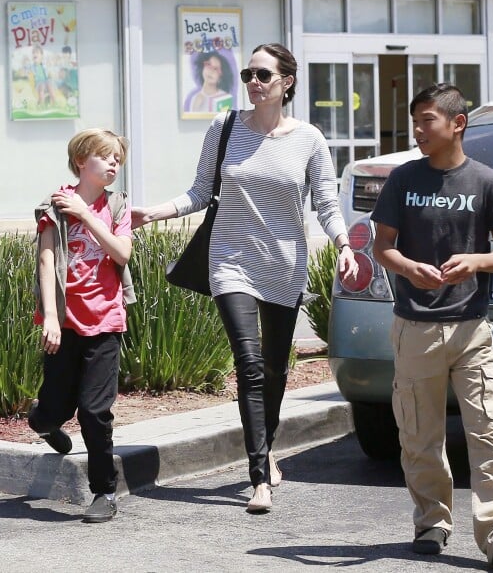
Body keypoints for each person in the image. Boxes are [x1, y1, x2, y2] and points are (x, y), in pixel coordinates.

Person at [132, 42, 358, 512]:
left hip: (284, 262)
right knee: (250, 364)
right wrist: (154, 212)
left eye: (263, 75)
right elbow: (200, 191)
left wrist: (343, 245)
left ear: (286, 82)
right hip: (230, 259)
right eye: (248, 75)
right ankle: (259, 476)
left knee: (275, 368)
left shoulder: (310, 139)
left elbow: (326, 203)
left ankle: (268, 446)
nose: (253, 83)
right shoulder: (226, 126)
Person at [370, 83, 493, 567]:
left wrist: (477, 262)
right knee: (420, 434)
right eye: (415, 121)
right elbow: (382, 246)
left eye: (427, 121)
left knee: (488, 429)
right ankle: (432, 522)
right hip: (415, 327)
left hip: (471, 329)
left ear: (456, 123)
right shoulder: (403, 179)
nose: (418, 130)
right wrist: (407, 267)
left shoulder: (487, 182)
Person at [29, 128, 131, 523]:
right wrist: (52, 317)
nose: (113, 164)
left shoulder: (117, 206)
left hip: (106, 320)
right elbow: (45, 260)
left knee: (94, 411)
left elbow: (122, 253)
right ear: (80, 163)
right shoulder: (54, 206)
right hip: (66, 323)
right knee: (56, 407)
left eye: (117, 159)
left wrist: (87, 215)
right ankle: (43, 420)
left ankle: (104, 492)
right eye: (105, 157)